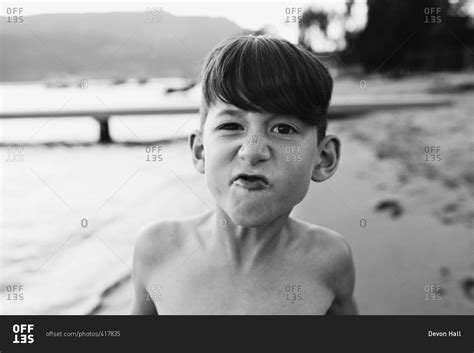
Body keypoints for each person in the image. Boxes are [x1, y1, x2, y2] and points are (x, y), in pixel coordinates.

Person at [131, 35, 358, 315]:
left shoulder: (329, 259)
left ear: (323, 159)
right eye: (230, 126)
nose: (252, 152)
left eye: (283, 129)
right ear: (201, 151)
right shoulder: (157, 250)